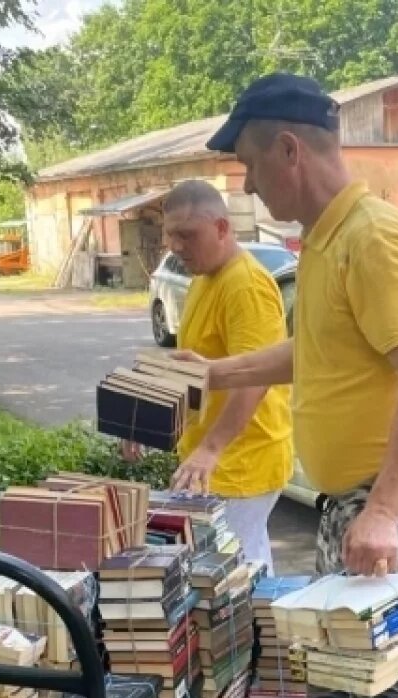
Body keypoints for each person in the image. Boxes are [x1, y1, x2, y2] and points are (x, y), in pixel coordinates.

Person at [192, 73, 398, 698]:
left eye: (251, 167)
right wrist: (211, 374)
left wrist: (382, 510)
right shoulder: (323, 242)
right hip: (354, 505)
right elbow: (308, 351)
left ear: (288, 150)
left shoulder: (373, 237)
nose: (249, 186)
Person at [124, 179, 293, 575]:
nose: (177, 247)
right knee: (242, 567)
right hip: (214, 460)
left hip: (241, 460)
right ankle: (257, 635)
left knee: (226, 579)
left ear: (221, 228)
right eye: (171, 236)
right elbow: (194, 368)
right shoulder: (203, 278)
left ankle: (252, 637)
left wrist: (212, 448)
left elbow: (256, 376)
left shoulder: (246, 285)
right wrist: (145, 421)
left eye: (188, 235)